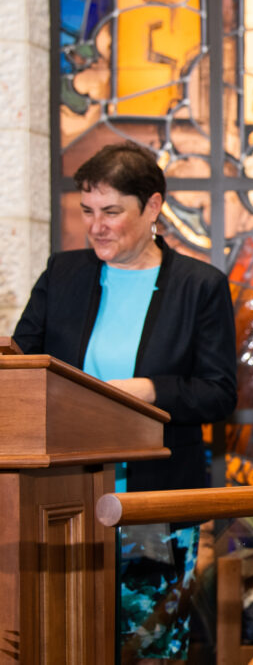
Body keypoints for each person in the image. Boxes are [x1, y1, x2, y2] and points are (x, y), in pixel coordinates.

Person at [13, 141, 237, 662]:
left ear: (153, 207)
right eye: (88, 212)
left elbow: (219, 393)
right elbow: (20, 367)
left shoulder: (199, 287)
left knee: (147, 650)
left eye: (112, 212)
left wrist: (151, 389)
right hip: (59, 504)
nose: (97, 226)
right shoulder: (62, 274)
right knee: (62, 643)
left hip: (152, 507)